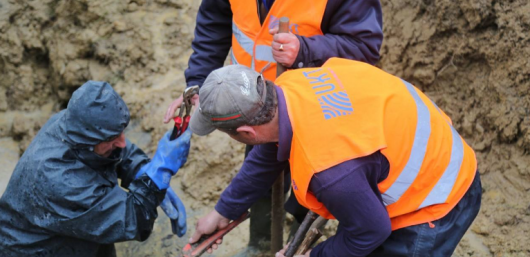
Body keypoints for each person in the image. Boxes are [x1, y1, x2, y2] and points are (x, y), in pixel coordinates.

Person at [163, 0, 383, 251]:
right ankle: (263, 245)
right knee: (260, 175)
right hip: (253, 109)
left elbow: (365, 48)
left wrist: (305, 50)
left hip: (322, 114)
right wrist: (200, 83)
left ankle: (298, 243)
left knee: (320, 186)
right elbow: (214, 19)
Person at [187, 59, 482, 257]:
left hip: (439, 201)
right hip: (434, 151)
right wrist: (222, 212)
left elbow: (369, 231)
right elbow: (268, 154)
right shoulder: (293, 85)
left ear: (246, 132)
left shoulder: (329, 171)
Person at [0, 81, 191, 257]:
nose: (123, 143)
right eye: (112, 139)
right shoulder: (58, 179)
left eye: (121, 132)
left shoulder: (74, 122)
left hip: (68, 232)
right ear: (87, 141)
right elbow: (134, 222)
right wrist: (157, 177)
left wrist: (141, 168)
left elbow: (115, 147)